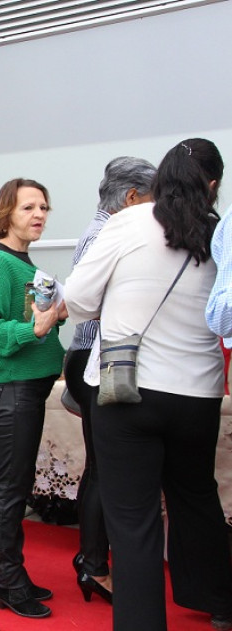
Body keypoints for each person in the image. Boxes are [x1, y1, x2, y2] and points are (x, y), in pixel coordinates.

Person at [69, 138, 232, 631]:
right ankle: (220, 601)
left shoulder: (128, 222)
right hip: (199, 392)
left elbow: (78, 297)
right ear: (214, 186)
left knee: (133, 521)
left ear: (157, 182)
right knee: (196, 496)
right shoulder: (218, 232)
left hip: (128, 391)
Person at [0, 178, 66, 619]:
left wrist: (53, 316)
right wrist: (38, 328)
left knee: (18, 485)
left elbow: (29, 320)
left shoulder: (25, 264)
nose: (39, 215)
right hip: (14, 391)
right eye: (28, 207)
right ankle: (5, 581)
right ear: (6, 212)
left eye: (43, 207)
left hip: (30, 387)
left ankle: (13, 575)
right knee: (10, 489)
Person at [65, 156, 156, 605]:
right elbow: (83, 299)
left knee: (103, 466)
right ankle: (93, 565)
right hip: (96, 359)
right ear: (133, 198)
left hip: (97, 358)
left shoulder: (106, 228)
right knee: (104, 468)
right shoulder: (107, 232)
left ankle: (94, 561)